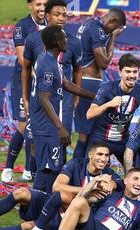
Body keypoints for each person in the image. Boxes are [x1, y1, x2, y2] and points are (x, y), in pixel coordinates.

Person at [13, 142, 123, 230]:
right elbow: (56, 186)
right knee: (20, 193)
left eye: (106, 155)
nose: (103, 159)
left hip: (82, 218)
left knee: (29, 225)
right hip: (61, 206)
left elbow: (118, 184)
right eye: (99, 154)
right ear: (90, 155)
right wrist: (88, 188)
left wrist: (109, 184)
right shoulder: (76, 163)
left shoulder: (109, 174)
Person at [30, 25, 95, 194]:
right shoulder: (47, 65)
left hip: (48, 125)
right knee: (50, 169)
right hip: (46, 127)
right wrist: (61, 128)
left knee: (49, 168)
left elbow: (66, 83)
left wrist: (93, 96)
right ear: (58, 41)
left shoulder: (52, 61)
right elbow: (44, 99)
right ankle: (38, 207)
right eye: (65, 38)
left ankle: (35, 207)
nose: (68, 40)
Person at [22, 0, 83, 167]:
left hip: (64, 101)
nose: (62, 18)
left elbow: (78, 70)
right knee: (35, 139)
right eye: (57, 14)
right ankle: (36, 178)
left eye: (64, 14)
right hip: (40, 99)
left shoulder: (74, 42)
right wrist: (25, 97)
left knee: (62, 138)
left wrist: (76, 99)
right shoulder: (33, 39)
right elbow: (26, 69)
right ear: (47, 15)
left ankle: (58, 182)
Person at [44, 168, 140, 230]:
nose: (139, 183)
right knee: (80, 201)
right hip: (92, 227)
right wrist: (93, 184)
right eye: (135, 179)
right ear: (125, 181)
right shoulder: (110, 193)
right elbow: (79, 200)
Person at [2, 0, 47, 182]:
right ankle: (9, 168)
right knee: (23, 126)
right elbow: (22, 58)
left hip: (45, 83)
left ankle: (29, 169)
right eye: (38, 4)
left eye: (45, 4)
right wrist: (40, 74)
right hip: (25, 82)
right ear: (30, 5)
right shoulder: (23, 26)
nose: (42, 8)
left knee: (36, 126)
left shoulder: (52, 24)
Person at [73, 8, 126, 159]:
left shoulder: (89, 24)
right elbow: (103, 62)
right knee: (86, 135)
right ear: (112, 21)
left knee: (89, 134)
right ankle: (76, 171)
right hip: (89, 83)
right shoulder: (97, 29)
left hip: (85, 81)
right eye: (114, 29)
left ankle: (83, 171)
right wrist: (113, 38)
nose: (111, 32)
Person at [86, 54, 140, 164]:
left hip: (123, 140)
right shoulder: (107, 88)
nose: (132, 75)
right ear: (120, 72)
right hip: (101, 138)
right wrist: (109, 104)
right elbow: (89, 114)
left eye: (135, 72)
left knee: (136, 170)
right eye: (128, 71)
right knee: (90, 170)